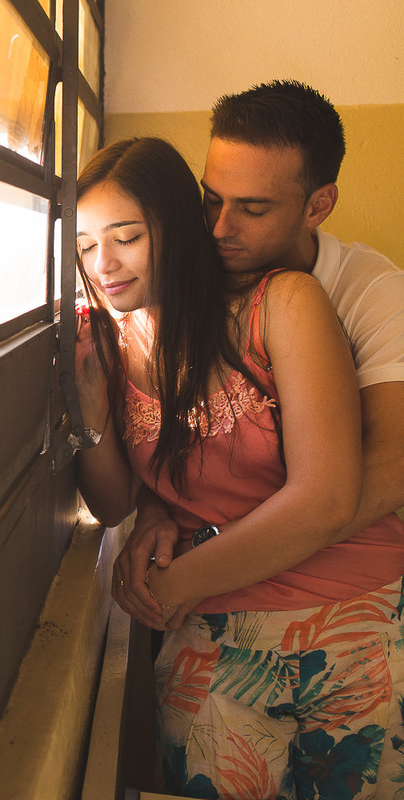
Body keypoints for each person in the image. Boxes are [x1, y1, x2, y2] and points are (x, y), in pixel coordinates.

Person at [73, 136, 404, 798]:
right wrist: (87, 408)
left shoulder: (285, 304)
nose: (103, 264)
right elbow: (113, 504)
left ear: (176, 224)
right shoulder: (111, 337)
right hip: (208, 628)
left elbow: (329, 497)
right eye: (83, 246)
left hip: (346, 618)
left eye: (126, 237)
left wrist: (169, 588)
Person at [112, 80, 404, 632]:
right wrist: (158, 507)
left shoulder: (373, 292)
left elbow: (391, 467)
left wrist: (205, 544)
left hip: (343, 601)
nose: (220, 228)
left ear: (320, 205)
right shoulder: (180, 276)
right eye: (212, 198)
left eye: (252, 208)